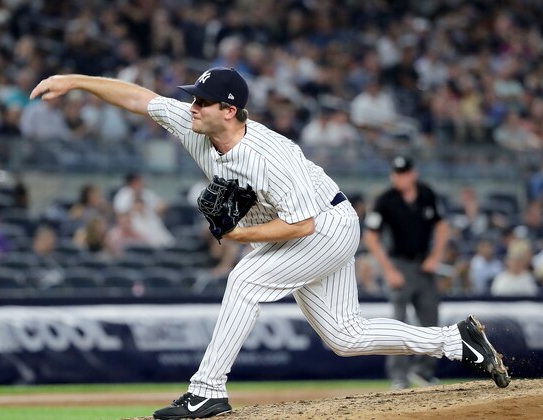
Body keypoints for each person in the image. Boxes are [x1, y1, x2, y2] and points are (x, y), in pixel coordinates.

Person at [31, 67, 510, 420]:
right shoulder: (195, 125)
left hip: (325, 224)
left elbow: (300, 225)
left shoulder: (267, 157)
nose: (192, 106)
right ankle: (457, 342)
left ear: (230, 110)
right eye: (194, 99)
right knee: (344, 336)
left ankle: (207, 390)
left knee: (244, 278)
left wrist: (240, 236)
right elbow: (141, 99)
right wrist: (74, 81)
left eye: (202, 101)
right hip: (312, 224)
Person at [363, 156, 450, 389]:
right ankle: (399, 376)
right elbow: (370, 237)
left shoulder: (426, 194)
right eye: (396, 174)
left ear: (413, 173)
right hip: (399, 265)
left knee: (431, 320)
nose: (400, 178)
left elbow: (442, 226)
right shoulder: (385, 200)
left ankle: (424, 371)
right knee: (398, 323)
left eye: (404, 173)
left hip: (424, 265)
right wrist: (389, 269)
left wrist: (435, 256)